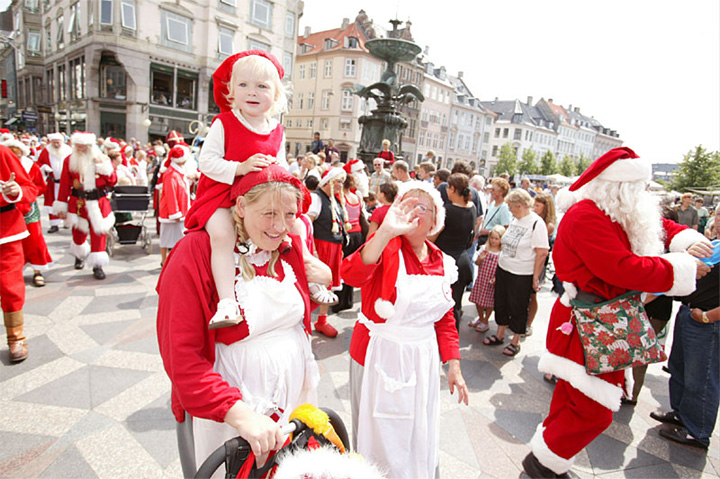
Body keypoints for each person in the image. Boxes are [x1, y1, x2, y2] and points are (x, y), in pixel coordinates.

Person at [523, 147, 709, 479]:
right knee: (593, 410)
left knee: (572, 401)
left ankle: (547, 460)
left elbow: (661, 227)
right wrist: (680, 268)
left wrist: (686, 240)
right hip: (588, 322)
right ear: (619, 188)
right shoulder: (586, 216)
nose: (644, 196)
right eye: (639, 188)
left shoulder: (611, 211)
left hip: (598, 319)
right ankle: (543, 463)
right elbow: (621, 268)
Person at [157, 165, 331, 477]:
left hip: (292, 405)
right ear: (240, 206)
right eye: (269, 213)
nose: (280, 226)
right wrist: (239, 415)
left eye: (289, 215)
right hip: (230, 418)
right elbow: (181, 356)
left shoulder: (287, 248)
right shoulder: (195, 252)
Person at [341, 180, 469, 479]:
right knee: (379, 434)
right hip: (378, 354)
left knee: (416, 430)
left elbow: (444, 317)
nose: (412, 211)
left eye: (421, 206)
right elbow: (350, 274)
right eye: (406, 203)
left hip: (421, 360)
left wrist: (454, 364)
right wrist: (385, 231)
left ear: (435, 221)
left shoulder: (442, 261)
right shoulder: (385, 246)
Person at [183, 50, 288, 330]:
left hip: (259, 200)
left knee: (296, 227)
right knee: (222, 235)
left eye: (262, 86)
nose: (251, 92)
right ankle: (227, 301)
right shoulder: (224, 122)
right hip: (220, 197)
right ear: (231, 91)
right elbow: (206, 162)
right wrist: (240, 167)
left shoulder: (277, 129)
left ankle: (303, 281)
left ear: (276, 94)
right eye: (243, 85)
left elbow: (285, 166)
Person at [651, 204, 719, 451]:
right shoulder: (712, 244)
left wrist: (708, 317)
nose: (719, 220)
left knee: (701, 378)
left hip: (706, 322)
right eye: (719, 215)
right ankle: (681, 415)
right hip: (689, 312)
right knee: (681, 369)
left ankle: (697, 431)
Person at [483, 189, 548, 357]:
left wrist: (535, 278)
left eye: (511, 207)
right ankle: (500, 333)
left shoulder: (536, 223)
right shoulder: (515, 220)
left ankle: (515, 340)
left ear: (520, 206)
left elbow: (542, 252)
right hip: (504, 268)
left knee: (518, 307)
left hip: (521, 273)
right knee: (501, 303)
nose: (510, 210)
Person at [53, 132, 117, 280]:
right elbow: (64, 185)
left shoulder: (102, 159)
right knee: (78, 233)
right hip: (78, 202)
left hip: (98, 202)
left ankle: (97, 265)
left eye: (83, 146)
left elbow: (112, 181)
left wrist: (103, 166)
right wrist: (61, 206)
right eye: (77, 146)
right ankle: (79, 254)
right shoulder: (69, 160)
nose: (80, 149)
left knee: (99, 234)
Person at [1, 145, 38, 362]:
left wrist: (17, 191)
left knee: (10, 286)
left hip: (5, 230)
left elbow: (29, 188)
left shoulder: (2, 153)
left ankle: (16, 337)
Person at [307, 167, 349, 337]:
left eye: (341, 182)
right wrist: (313, 250)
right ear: (329, 182)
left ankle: (322, 321)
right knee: (314, 285)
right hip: (321, 247)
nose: (340, 185)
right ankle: (302, 321)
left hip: (333, 247)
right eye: (337, 181)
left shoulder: (334, 200)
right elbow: (307, 224)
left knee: (328, 286)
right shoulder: (316, 198)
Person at [5, 139, 53, 287]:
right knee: (11, 245)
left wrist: (24, 193)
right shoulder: (3, 166)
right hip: (9, 210)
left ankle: (37, 270)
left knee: (34, 239)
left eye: (17, 155)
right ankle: (14, 270)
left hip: (29, 208)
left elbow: (40, 186)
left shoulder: (31, 166)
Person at [431, 173, 477, 325]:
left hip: (444, 263)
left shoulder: (448, 211)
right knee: (455, 306)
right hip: (462, 261)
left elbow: (432, 238)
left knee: (441, 307)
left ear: (452, 189)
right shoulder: (472, 208)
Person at [526, 192, 557, 336]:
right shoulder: (532, 219)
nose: (534, 208)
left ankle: (529, 323)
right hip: (528, 260)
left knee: (532, 294)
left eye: (538, 205)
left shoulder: (547, 225)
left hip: (538, 263)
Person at [158, 145, 191, 266]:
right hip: (171, 212)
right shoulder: (170, 174)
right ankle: (164, 261)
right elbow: (170, 195)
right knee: (166, 239)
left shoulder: (178, 172)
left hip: (180, 211)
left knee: (178, 238)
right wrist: (174, 213)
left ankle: (173, 261)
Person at [468, 225, 505, 332]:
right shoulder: (484, 248)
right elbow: (476, 263)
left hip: (492, 282)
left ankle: (485, 320)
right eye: (492, 238)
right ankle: (481, 317)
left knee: (489, 303)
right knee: (478, 300)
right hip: (481, 280)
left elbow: (503, 267)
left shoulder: (502, 253)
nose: (493, 241)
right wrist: (480, 259)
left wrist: (496, 278)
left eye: (496, 238)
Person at [36, 133, 72, 233]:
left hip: (66, 183)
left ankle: (67, 222)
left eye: (58, 142)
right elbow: (38, 163)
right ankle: (54, 224)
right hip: (52, 182)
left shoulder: (69, 150)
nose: (56, 144)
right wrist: (44, 167)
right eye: (54, 142)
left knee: (69, 202)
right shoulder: (46, 151)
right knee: (51, 203)